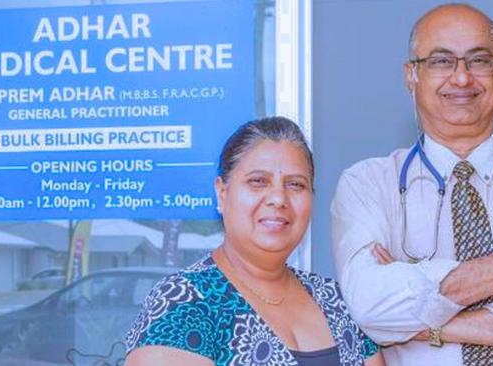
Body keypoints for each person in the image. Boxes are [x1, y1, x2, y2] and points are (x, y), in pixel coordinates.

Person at [331, 4, 493, 366]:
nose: (461, 78)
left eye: (479, 60)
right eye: (441, 61)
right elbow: (370, 308)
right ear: (411, 75)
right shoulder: (367, 184)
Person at [125, 117, 385, 366]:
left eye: (295, 185)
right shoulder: (185, 302)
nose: (278, 198)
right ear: (222, 192)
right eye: (258, 182)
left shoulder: (337, 300)